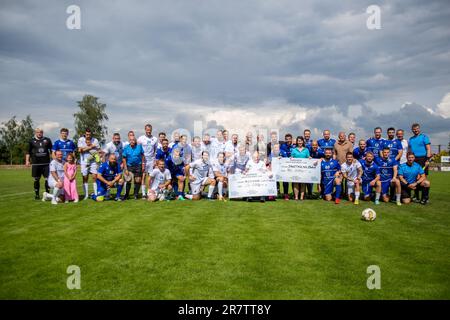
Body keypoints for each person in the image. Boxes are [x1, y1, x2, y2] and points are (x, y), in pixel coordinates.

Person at [26, 128, 53, 200]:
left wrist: (53, 159)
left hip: (46, 163)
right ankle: (37, 195)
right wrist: (27, 161)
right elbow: (28, 152)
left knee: (48, 179)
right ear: (35, 132)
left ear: (42, 132)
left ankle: (48, 194)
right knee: (36, 179)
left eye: (41, 132)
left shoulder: (47, 140)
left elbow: (52, 150)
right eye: (38, 132)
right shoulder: (31, 141)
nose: (39, 133)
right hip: (36, 164)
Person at [77, 129, 100, 199]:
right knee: (85, 177)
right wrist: (90, 147)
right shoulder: (81, 139)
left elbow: (98, 150)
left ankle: (96, 194)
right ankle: (86, 195)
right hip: (84, 161)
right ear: (85, 134)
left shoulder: (95, 140)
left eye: (89, 134)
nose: (88, 136)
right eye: (87, 134)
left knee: (94, 177)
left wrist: (85, 148)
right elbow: (80, 150)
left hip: (93, 161)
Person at [137, 124, 158, 199]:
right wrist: (141, 161)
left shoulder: (155, 139)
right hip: (143, 160)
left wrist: (154, 160)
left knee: (151, 177)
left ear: (151, 130)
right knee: (143, 176)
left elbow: (155, 150)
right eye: (147, 130)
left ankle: (149, 192)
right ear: (145, 130)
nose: (148, 131)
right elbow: (138, 149)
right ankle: (143, 193)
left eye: (150, 130)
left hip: (151, 160)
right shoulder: (141, 138)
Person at [291, 136, 310, 201]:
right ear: (297, 142)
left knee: (303, 183)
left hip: (304, 170)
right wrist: (291, 158)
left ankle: (301, 197)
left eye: (301, 141)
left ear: (303, 141)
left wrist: (310, 158)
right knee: (296, 183)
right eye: (298, 141)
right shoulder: (294, 150)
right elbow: (291, 158)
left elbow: (308, 157)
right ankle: (296, 197)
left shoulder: (306, 150)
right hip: (295, 169)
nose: (300, 142)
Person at [280, 133, 294, 200]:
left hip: (293, 166)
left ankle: (295, 194)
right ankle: (286, 194)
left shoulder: (294, 146)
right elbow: (281, 154)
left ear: (291, 139)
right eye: (287, 139)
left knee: (295, 179)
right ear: (285, 140)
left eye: (289, 139)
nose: (288, 140)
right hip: (285, 166)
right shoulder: (282, 146)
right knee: (285, 180)